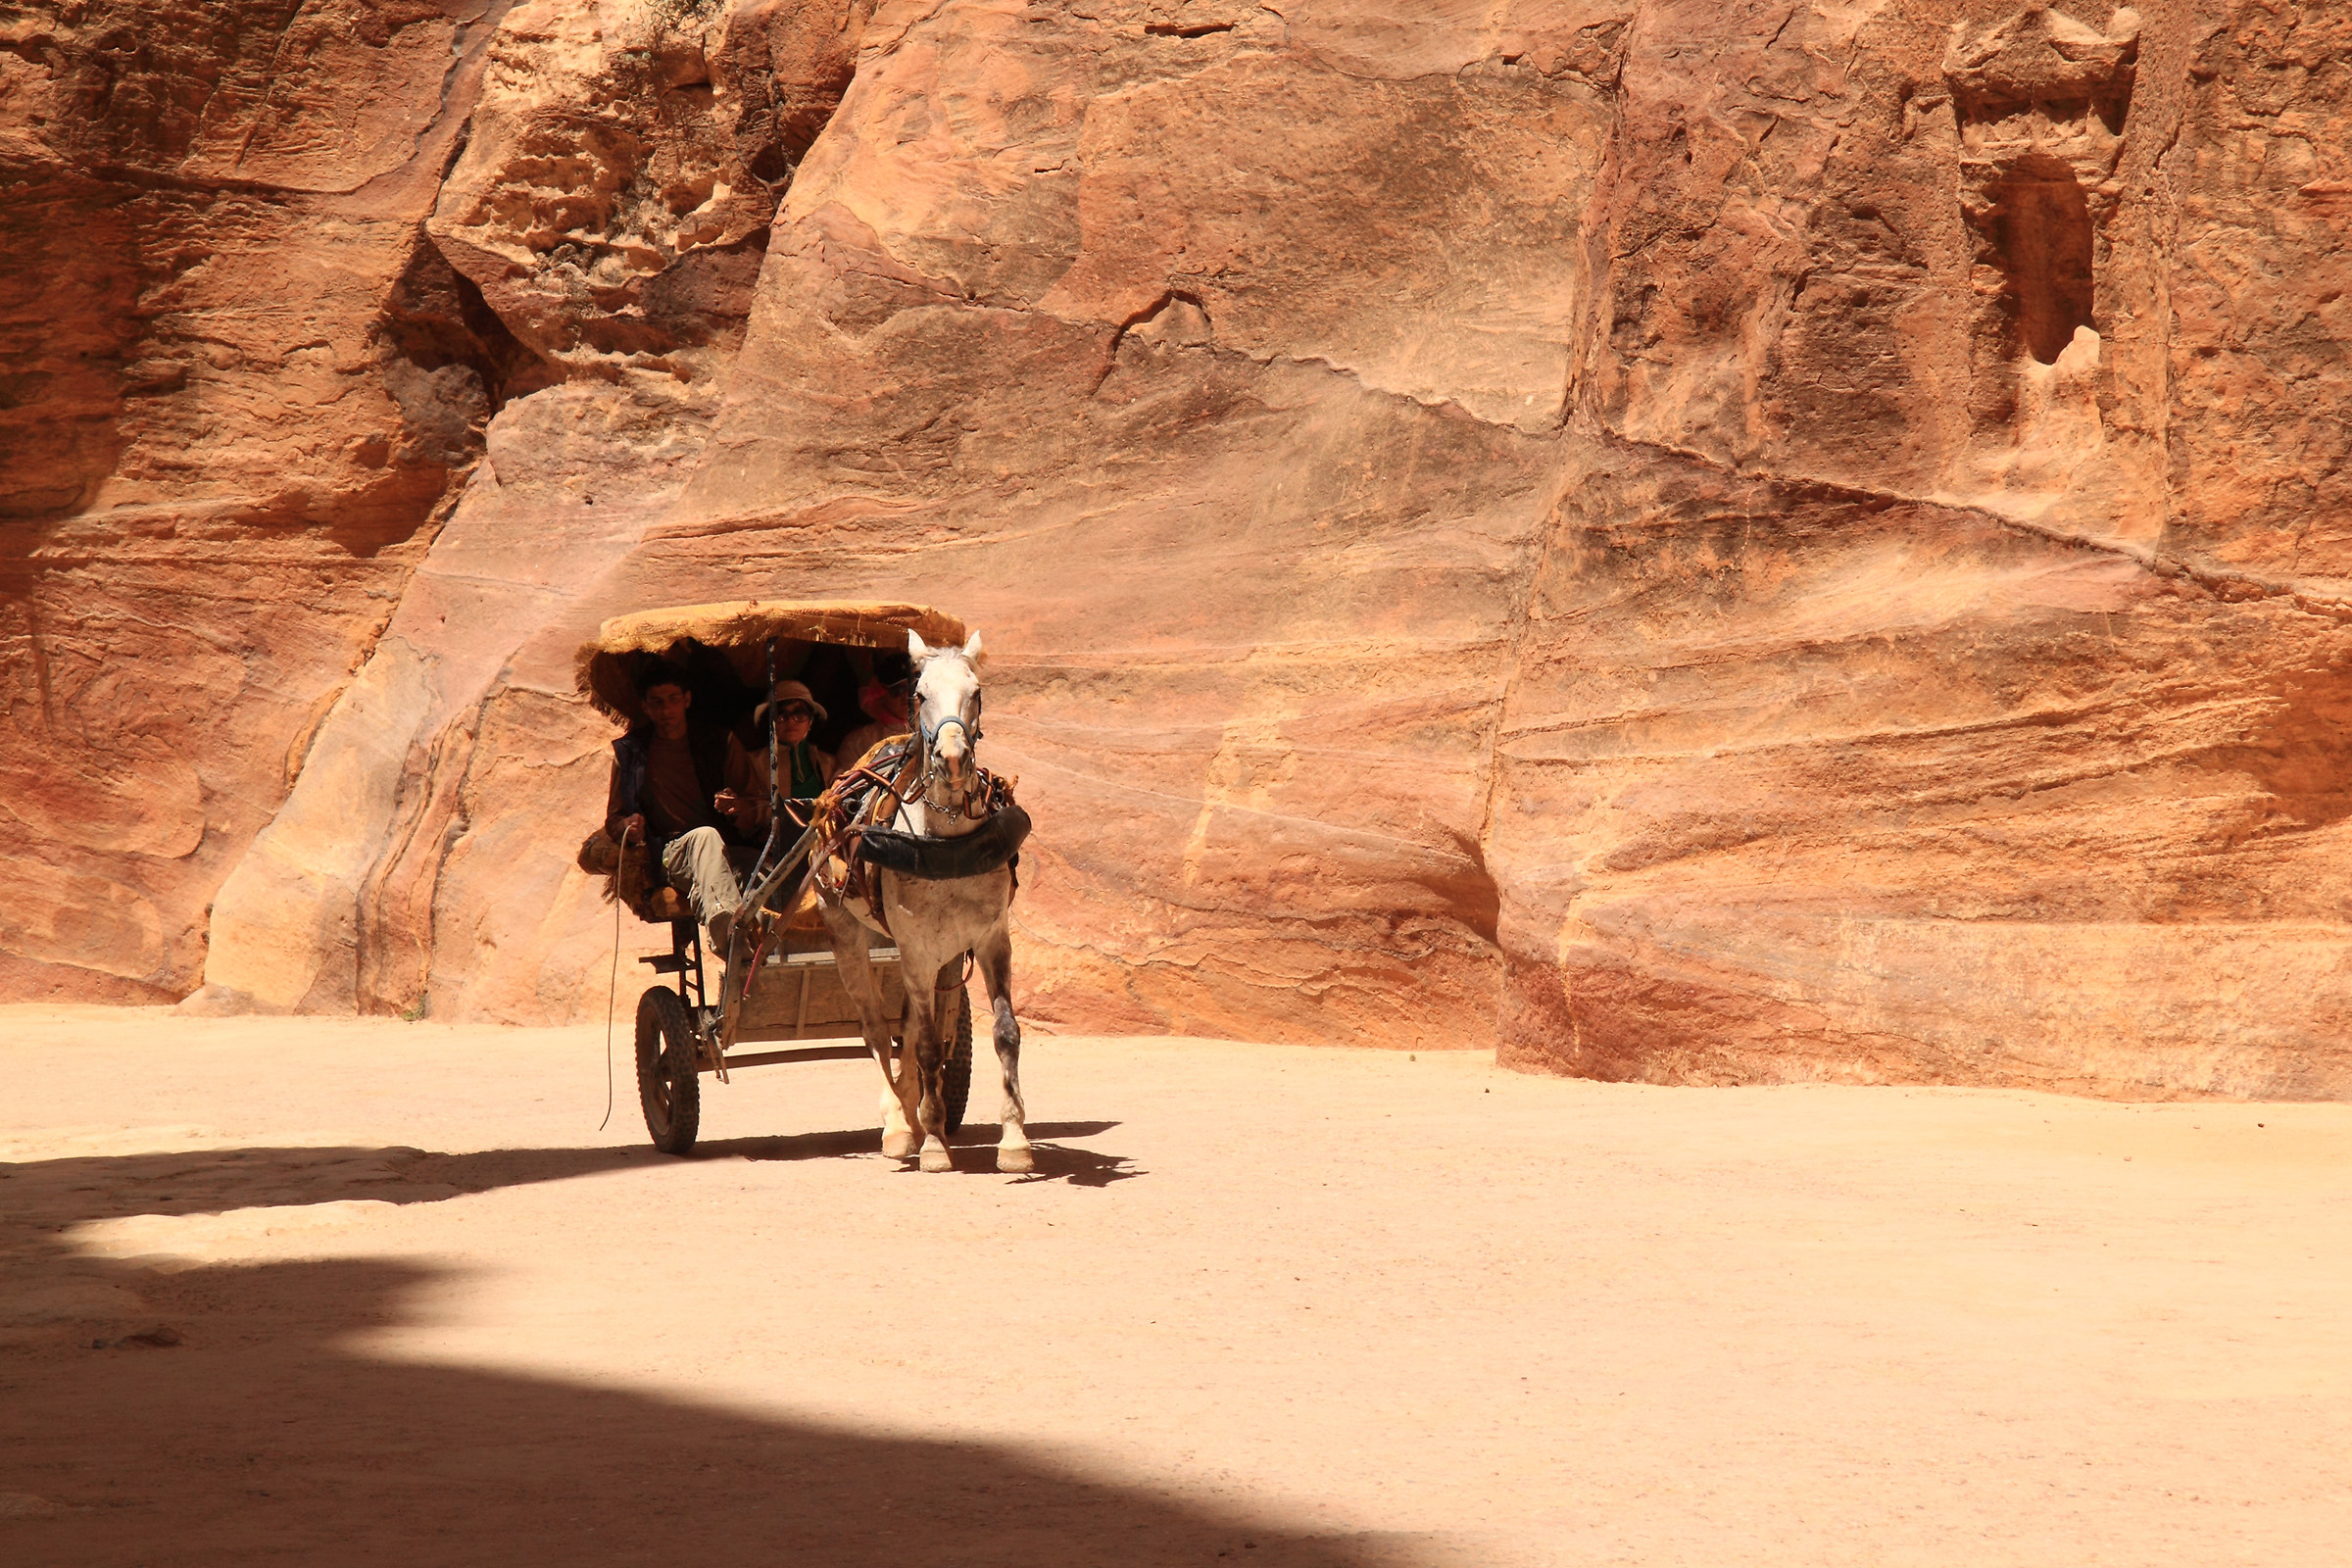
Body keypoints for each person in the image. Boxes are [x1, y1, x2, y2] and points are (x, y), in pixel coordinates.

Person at [604, 662, 766, 951]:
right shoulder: (631, 754)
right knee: (705, 836)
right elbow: (614, 820)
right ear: (645, 707)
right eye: (657, 704)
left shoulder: (719, 742)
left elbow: (755, 808)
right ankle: (724, 930)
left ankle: (764, 950)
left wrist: (737, 807)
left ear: (686, 700)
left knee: (766, 870)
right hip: (671, 853)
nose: (666, 711)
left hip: (728, 850)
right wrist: (629, 826)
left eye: (673, 701)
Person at [832, 651, 913, 774]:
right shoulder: (859, 742)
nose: (906, 696)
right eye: (897, 690)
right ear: (880, 695)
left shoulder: (935, 736)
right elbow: (843, 786)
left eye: (911, 688)